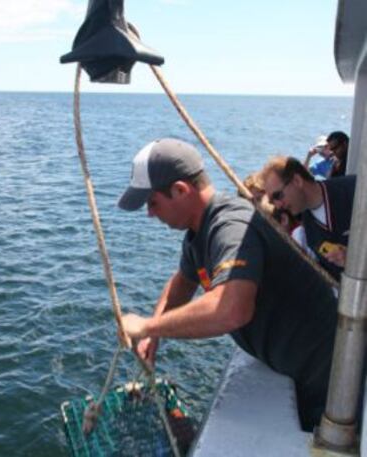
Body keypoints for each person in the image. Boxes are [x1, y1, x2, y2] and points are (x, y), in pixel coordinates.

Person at [118, 138, 338, 431]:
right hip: (298, 369)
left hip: (326, 379)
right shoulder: (199, 233)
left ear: (180, 190)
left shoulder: (231, 225)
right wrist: (154, 336)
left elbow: (231, 309)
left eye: (153, 202)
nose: (150, 213)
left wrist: (146, 327)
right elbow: (183, 282)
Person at [260, 156, 356, 280]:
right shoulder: (309, 229)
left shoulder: (354, 190)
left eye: (278, 196)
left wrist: (355, 260)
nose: (278, 206)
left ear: (297, 181)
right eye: (273, 202)